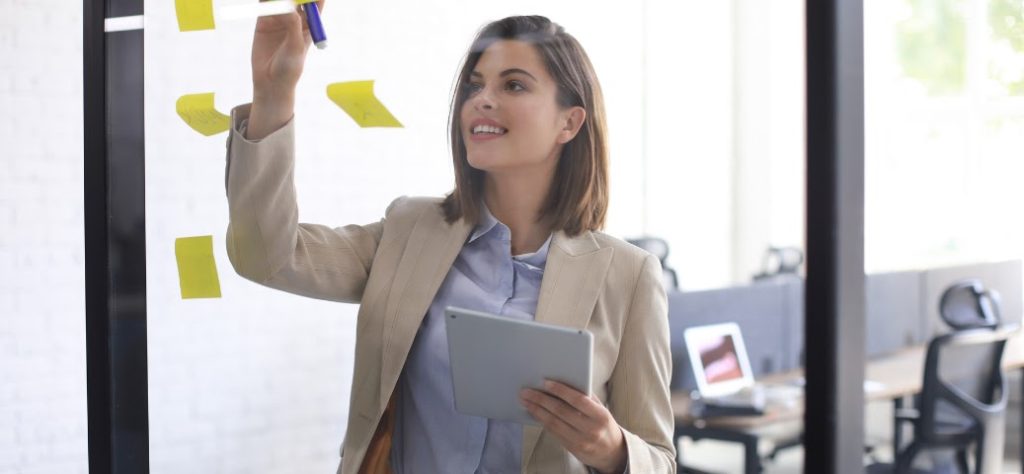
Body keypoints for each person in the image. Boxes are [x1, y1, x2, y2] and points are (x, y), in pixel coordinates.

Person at [224, 6, 675, 473]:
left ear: (570, 123)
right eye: (475, 86)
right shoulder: (409, 230)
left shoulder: (629, 276)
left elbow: (660, 459)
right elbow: (267, 256)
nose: (482, 100)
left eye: (513, 85)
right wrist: (273, 93)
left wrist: (612, 449)